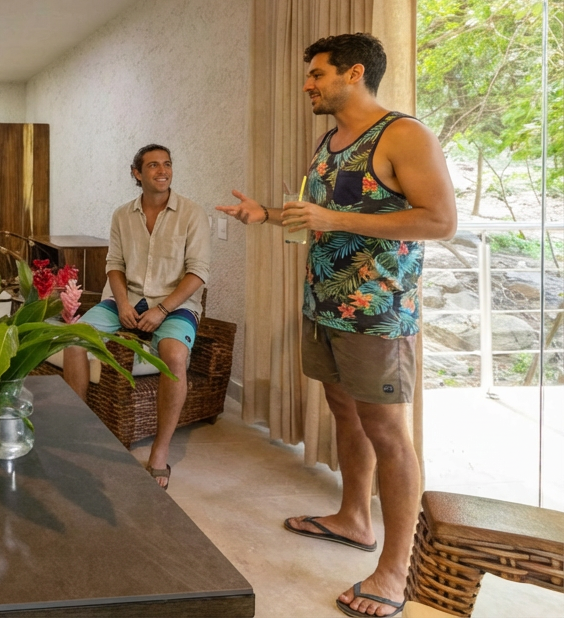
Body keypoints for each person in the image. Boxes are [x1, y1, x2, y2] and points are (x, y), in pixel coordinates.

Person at [218, 33, 456, 618]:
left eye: (317, 75)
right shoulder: (330, 141)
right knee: (344, 412)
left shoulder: (404, 134)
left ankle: (396, 571)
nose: (308, 85)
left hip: (376, 314)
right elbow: (316, 216)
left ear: (353, 73)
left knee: (389, 435)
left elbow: (440, 219)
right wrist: (267, 215)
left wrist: (332, 216)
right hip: (323, 305)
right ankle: (354, 518)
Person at [62, 144, 211, 491]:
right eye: (154, 165)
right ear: (137, 173)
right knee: (74, 337)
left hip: (175, 304)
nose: (163, 171)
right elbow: (114, 264)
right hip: (125, 300)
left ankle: (159, 453)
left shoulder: (192, 214)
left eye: (168, 164)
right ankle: (77, 430)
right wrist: (123, 302)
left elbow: (198, 273)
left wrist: (162, 309)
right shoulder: (121, 215)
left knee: (174, 356)